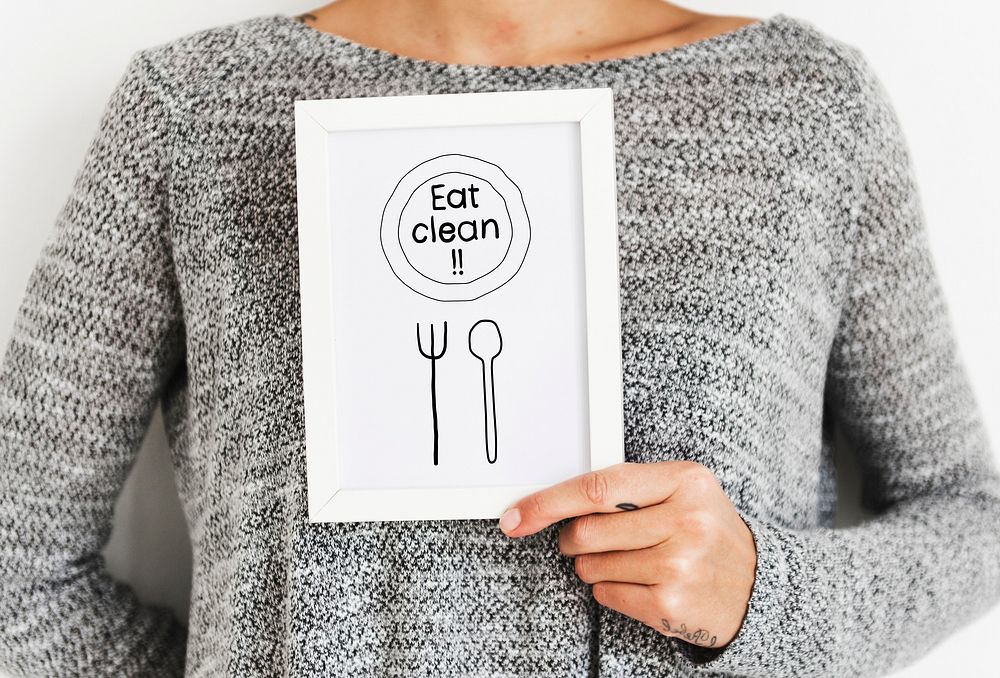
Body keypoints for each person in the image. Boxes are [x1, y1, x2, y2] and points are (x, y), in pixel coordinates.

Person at [0, 1, 997, 676]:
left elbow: (975, 521)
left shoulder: (805, 104)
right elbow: (18, 562)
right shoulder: (196, 108)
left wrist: (761, 596)